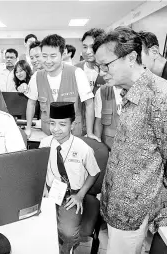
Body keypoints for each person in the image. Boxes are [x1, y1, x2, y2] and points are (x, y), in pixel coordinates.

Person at [93, 27, 167, 254]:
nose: (101, 72)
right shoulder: (129, 91)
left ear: (131, 58)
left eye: (106, 65)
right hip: (118, 200)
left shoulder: (159, 98)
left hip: (134, 207)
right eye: (98, 66)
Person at [39, 102, 100, 254]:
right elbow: (39, 169)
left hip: (72, 195)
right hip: (50, 192)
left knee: (67, 233)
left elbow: (94, 172)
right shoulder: (44, 143)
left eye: (62, 124)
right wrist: (43, 190)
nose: (56, 129)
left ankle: (64, 251)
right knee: (40, 226)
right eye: (52, 123)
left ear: (72, 125)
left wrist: (80, 195)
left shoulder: (83, 148)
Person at [24, 34, 98, 142]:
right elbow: (31, 103)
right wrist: (28, 128)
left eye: (53, 56)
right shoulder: (37, 76)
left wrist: (90, 132)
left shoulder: (77, 73)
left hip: (73, 134)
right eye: (44, 56)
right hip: (48, 134)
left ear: (62, 54)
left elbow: (89, 103)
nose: (48, 61)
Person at [75, 28, 106, 94]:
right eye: (85, 47)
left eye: (92, 47)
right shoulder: (76, 69)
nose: (88, 52)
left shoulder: (109, 70)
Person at [93, 84, 123, 150]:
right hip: (109, 148)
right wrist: (97, 148)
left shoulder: (138, 89)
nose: (102, 74)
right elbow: (98, 122)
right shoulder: (102, 91)